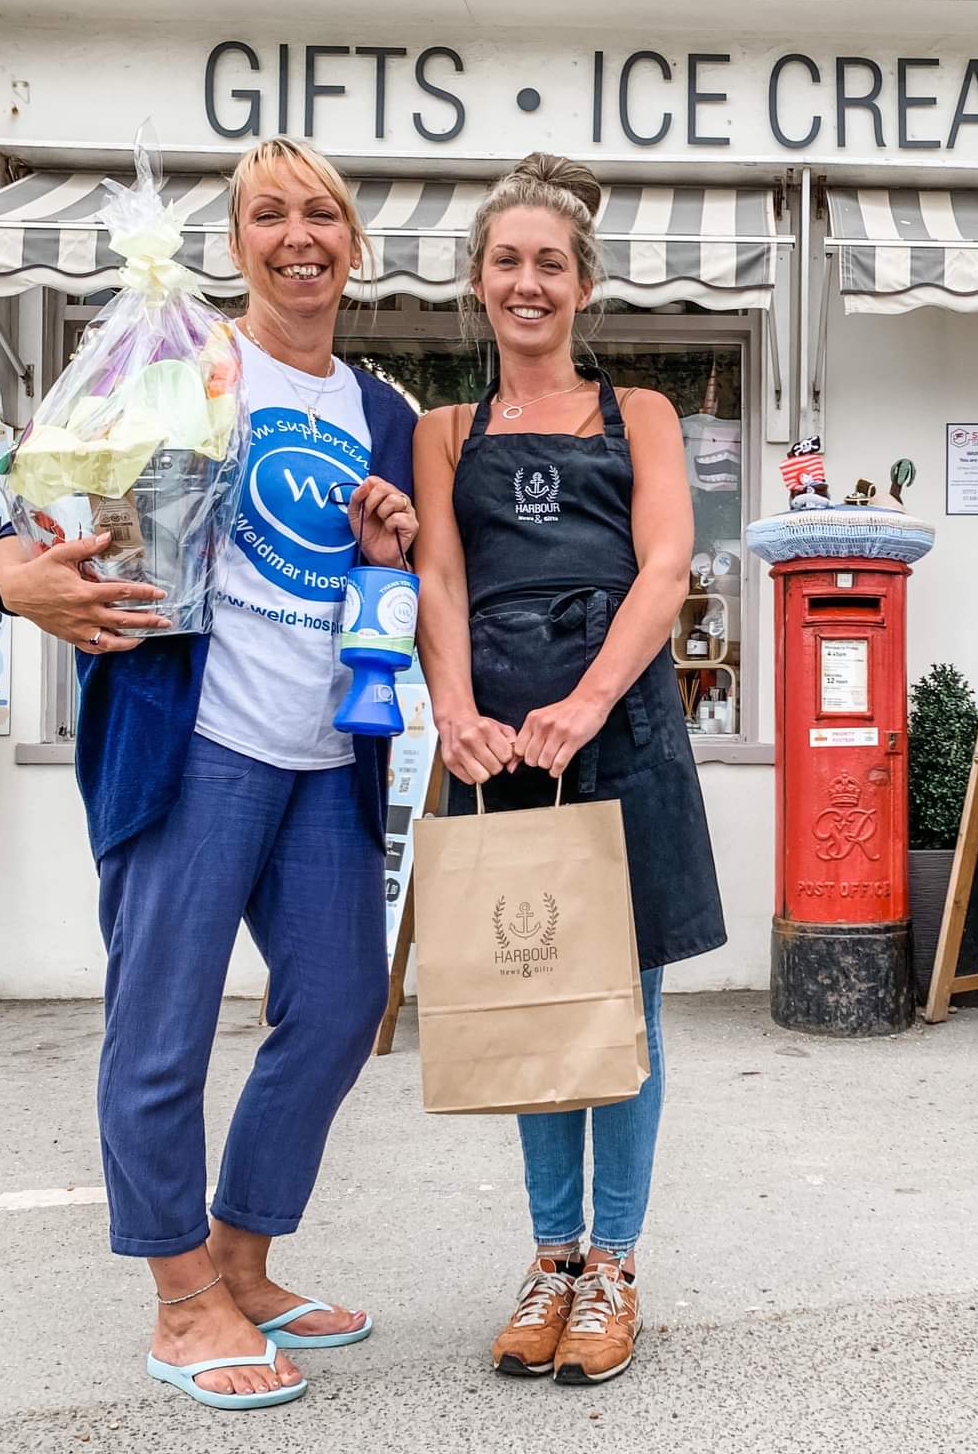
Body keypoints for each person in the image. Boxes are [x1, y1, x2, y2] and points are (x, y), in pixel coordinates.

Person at [0, 138, 418, 1411]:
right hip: (194, 748)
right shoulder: (180, 357)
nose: (299, 235)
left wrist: (384, 547)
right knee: (161, 1031)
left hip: (325, 756)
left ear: (353, 243)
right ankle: (181, 1298)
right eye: (270, 214)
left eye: (322, 214)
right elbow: (37, 496)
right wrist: (13, 576)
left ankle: (241, 1256)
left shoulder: (380, 408)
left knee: (341, 1007)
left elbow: (379, 582)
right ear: (235, 245)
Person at [414, 153, 726, 1386]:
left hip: (619, 728)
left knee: (626, 1005)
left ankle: (615, 1269)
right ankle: (548, 1259)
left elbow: (664, 571)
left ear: (582, 285)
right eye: (507, 262)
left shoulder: (638, 413)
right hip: (497, 743)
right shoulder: (445, 430)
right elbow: (436, 578)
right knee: (532, 993)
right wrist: (453, 711)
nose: (527, 281)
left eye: (551, 262)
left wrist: (586, 700)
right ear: (479, 283)